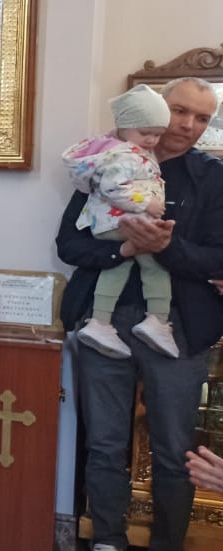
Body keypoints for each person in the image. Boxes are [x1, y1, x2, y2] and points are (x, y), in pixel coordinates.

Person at [61, 77, 223, 551]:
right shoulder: (108, 159)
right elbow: (69, 244)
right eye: (179, 110)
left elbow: (219, 256)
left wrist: (167, 247)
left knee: (175, 447)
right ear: (155, 108)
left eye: (202, 118)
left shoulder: (212, 178)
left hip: (180, 326)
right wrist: (123, 251)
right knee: (104, 440)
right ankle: (107, 542)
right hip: (103, 321)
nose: (188, 125)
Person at [64, 85, 180, 359]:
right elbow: (113, 188)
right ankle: (157, 320)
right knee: (155, 268)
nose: (152, 140)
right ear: (124, 127)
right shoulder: (125, 155)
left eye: (157, 134)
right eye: (145, 132)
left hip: (110, 225)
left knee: (116, 269)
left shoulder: (122, 151)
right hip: (122, 223)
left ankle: (100, 321)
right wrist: (147, 204)